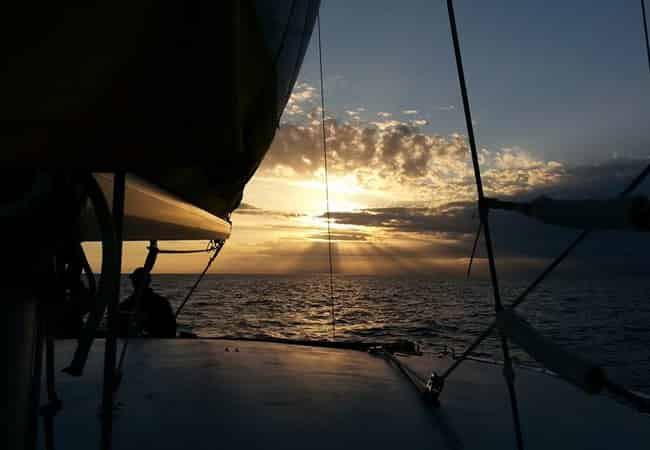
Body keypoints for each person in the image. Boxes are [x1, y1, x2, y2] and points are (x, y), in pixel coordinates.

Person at [119, 268, 176, 338]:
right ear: (149, 281)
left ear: (133, 282)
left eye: (135, 280)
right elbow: (172, 330)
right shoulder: (163, 302)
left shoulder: (125, 305)